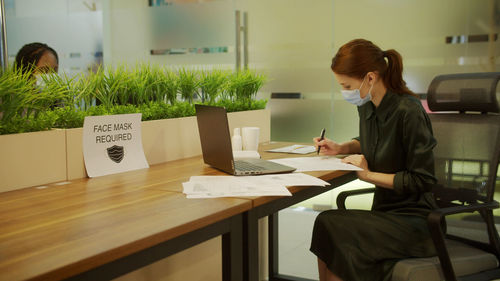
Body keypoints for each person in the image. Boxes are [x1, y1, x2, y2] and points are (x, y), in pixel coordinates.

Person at [310, 38, 438, 281]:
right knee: (326, 224)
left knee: (335, 227)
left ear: (370, 77)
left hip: (415, 222)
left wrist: (367, 175)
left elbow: (423, 180)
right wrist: (341, 147)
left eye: (347, 86)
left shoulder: (408, 112)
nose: (345, 92)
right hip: (384, 212)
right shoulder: (367, 106)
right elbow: (373, 142)